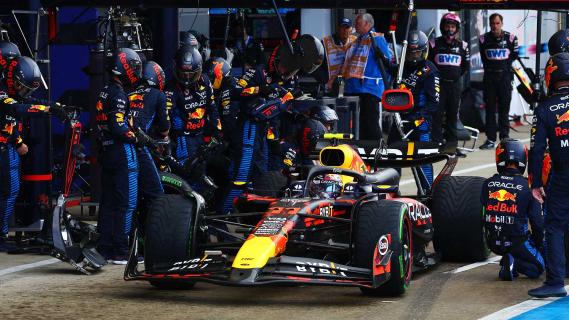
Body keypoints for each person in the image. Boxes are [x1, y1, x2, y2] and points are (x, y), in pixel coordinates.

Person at [0, 56, 55, 251]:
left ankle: (3, 233)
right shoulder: (2, 92)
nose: (24, 92)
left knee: (9, 191)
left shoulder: (12, 92)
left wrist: (55, 107)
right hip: (3, 149)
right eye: (22, 86)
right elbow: (16, 109)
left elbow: (27, 101)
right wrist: (46, 109)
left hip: (8, 149)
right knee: (7, 192)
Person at [527, 53, 569, 298]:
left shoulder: (544, 108)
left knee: (554, 226)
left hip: (562, 175)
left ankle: (555, 281)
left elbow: (537, 148)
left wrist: (536, 183)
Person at [95, 48, 141, 264]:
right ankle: (121, 250)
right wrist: (136, 138)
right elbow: (118, 126)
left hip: (106, 151)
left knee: (109, 202)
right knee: (127, 203)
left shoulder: (104, 91)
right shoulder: (119, 94)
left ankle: (104, 247)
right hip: (122, 152)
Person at [481, 139, 544, 281]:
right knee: (538, 268)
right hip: (517, 241)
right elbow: (537, 223)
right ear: (523, 159)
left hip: (493, 242)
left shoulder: (487, 183)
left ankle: (508, 260)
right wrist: (539, 244)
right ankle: (512, 261)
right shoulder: (528, 187)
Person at [392, 30, 440, 190]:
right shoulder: (400, 68)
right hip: (398, 120)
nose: (414, 56)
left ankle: (426, 192)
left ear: (424, 51)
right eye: (411, 53)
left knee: (422, 159)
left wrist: (418, 118)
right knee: (391, 157)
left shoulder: (430, 70)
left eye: (417, 52)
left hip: (420, 123)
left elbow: (434, 103)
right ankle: (390, 190)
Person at [127, 61, 169, 222]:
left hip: (125, 147)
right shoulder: (159, 95)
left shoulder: (127, 93)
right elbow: (164, 129)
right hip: (141, 147)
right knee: (156, 194)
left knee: (132, 195)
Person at [167, 46, 220, 165]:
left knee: (203, 167)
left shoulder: (205, 81)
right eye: (183, 74)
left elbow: (212, 108)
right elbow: (166, 113)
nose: (187, 78)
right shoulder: (171, 87)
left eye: (191, 74)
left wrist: (217, 132)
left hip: (202, 135)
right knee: (188, 168)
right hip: (183, 137)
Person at [342, 13, 392, 141]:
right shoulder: (356, 39)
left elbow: (388, 63)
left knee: (370, 122)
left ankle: (375, 148)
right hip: (353, 88)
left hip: (369, 88)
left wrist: (385, 85)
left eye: (358, 23)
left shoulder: (377, 38)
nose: (355, 26)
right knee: (354, 123)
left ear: (367, 24)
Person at [429, 13, 470, 157]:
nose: (450, 29)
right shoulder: (433, 44)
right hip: (438, 85)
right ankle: (436, 145)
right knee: (437, 115)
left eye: (452, 26)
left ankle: (452, 147)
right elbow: (428, 64)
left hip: (454, 85)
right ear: (442, 27)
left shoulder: (463, 46)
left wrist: (454, 77)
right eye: (447, 26)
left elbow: (465, 66)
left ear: (457, 28)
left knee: (453, 116)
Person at [479, 13, 519, 150]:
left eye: (497, 23)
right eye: (492, 24)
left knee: (504, 108)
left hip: (505, 77)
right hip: (489, 78)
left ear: (501, 23)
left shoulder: (511, 38)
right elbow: (483, 58)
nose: (495, 26)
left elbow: (514, 56)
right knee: (490, 109)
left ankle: (504, 137)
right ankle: (490, 139)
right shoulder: (483, 39)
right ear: (490, 25)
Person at [315, 17, 357, 93]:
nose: (345, 30)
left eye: (347, 27)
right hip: (330, 86)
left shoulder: (356, 41)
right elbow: (315, 65)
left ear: (351, 29)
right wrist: (325, 79)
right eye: (342, 27)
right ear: (338, 29)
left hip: (350, 86)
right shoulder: (325, 42)